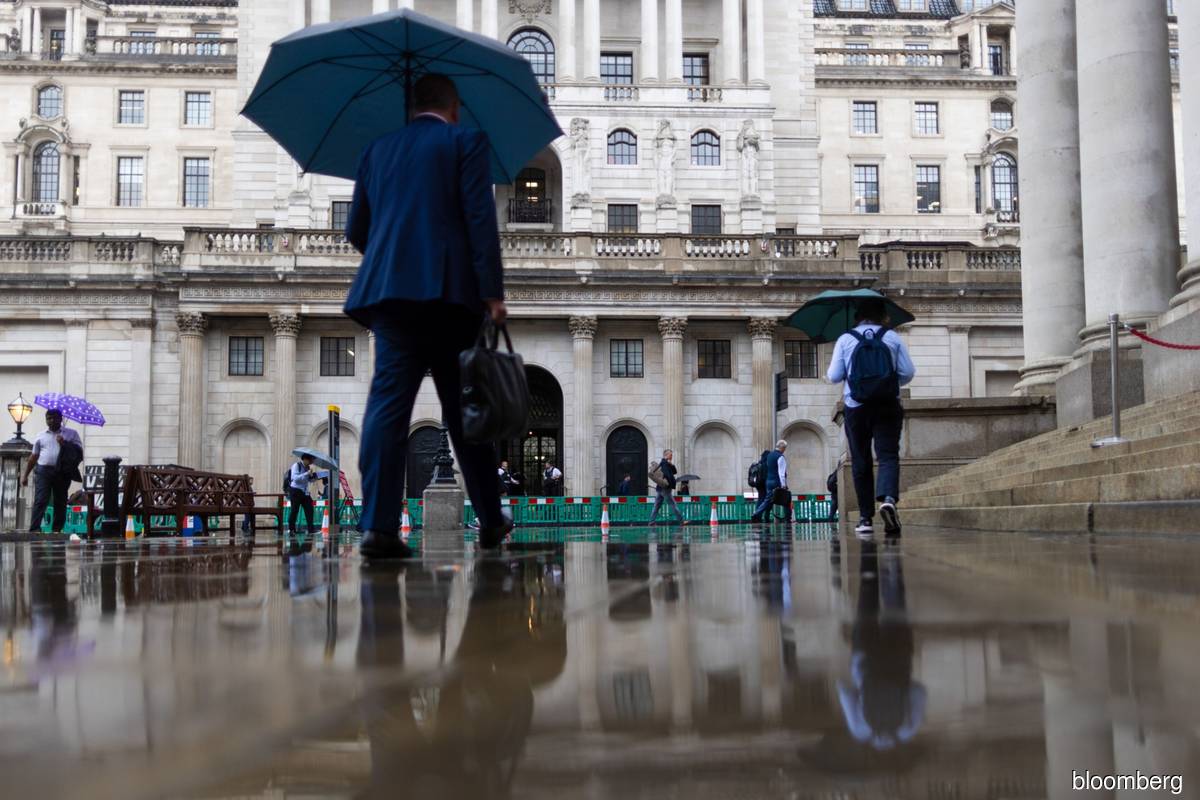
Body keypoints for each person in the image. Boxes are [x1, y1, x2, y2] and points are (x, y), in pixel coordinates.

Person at [345, 73, 512, 559]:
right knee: (466, 411)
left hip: (390, 295)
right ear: (453, 107)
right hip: (450, 295)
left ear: (412, 107)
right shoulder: (465, 142)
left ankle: (378, 527)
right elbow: (479, 218)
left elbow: (357, 228)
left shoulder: (376, 150)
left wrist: (393, 255)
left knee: (386, 408)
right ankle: (490, 520)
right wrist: (492, 293)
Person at [827, 297, 916, 536]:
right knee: (888, 455)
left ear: (858, 317)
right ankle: (888, 499)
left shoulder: (846, 339)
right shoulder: (892, 337)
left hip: (856, 406)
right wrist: (887, 383)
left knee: (860, 460)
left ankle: (865, 518)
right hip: (887, 404)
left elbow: (834, 375)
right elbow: (908, 372)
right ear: (882, 316)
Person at [22, 409, 83, 534]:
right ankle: (34, 529)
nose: (51, 420)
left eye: (55, 418)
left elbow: (79, 453)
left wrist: (64, 443)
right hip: (43, 470)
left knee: (60, 500)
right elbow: (34, 456)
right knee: (40, 499)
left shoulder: (71, 434)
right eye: (49, 418)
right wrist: (25, 475)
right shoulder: (40, 435)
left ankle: (57, 529)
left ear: (61, 419)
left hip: (62, 471)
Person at [750, 440, 791, 523]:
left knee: (767, 500)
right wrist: (783, 485)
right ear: (782, 448)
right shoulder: (780, 457)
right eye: (785, 448)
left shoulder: (769, 455)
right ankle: (788, 518)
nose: (784, 450)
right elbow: (781, 473)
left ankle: (756, 513)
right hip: (777, 481)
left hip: (768, 481)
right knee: (786, 499)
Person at [287, 454, 323, 537]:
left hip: (305, 492)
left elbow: (308, 480)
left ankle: (311, 529)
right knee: (294, 510)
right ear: (305, 459)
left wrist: (314, 477)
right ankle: (292, 529)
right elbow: (295, 478)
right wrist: (306, 473)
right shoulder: (297, 466)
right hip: (296, 490)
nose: (311, 462)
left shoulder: (308, 468)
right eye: (310, 460)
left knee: (309, 509)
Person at [648, 449, 685, 526]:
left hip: (660, 488)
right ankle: (681, 521)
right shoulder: (664, 463)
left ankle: (651, 521)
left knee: (656, 505)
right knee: (673, 505)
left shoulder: (665, 463)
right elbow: (667, 475)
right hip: (665, 488)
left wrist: (671, 464)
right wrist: (671, 483)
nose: (672, 456)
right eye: (671, 455)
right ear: (666, 455)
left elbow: (674, 472)